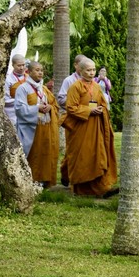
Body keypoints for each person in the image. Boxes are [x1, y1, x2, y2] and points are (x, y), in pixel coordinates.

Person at [62, 58, 118, 197]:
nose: (92, 73)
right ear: (80, 70)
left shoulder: (97, 86)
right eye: (88, 70)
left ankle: (102, 188)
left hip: (96, 126)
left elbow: (103, 104)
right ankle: (81, 190)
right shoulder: (75, 87)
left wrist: (101, 109)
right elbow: (71, 108)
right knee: (82, 158)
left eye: (93, 70)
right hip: (81, 127)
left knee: (98, 156)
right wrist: (88, 111)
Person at [15, 61, 59, 187]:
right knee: (33, 155)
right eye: (37, 70)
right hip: (30, 129)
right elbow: (19, 109)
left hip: (45, 126)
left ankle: (44, 179)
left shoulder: (44, 89)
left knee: (44, 153)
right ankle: (30, 179)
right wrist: (36, 108)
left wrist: (50, 108)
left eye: (41, 70)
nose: (40, 72)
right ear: (28, 72)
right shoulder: (22, 88)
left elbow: (54, 105)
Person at [56, 54, 88, 186]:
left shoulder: (91, 81)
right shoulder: (69, 80)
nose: (85, 68)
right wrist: (77, 104)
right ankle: (67, 174)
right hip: (73, 119)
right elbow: (61, 99)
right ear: (76, 66)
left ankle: (83, 177)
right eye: (82, 65)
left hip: (88, 118)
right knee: (73, 149)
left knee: (85, 149)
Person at [4, 54, 28, 127]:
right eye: (19, 65)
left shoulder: (29, 78)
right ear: (13, 65)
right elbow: (6, 100)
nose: (21, 68)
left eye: (23, 65)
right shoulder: (8, 80)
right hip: (13, 114)